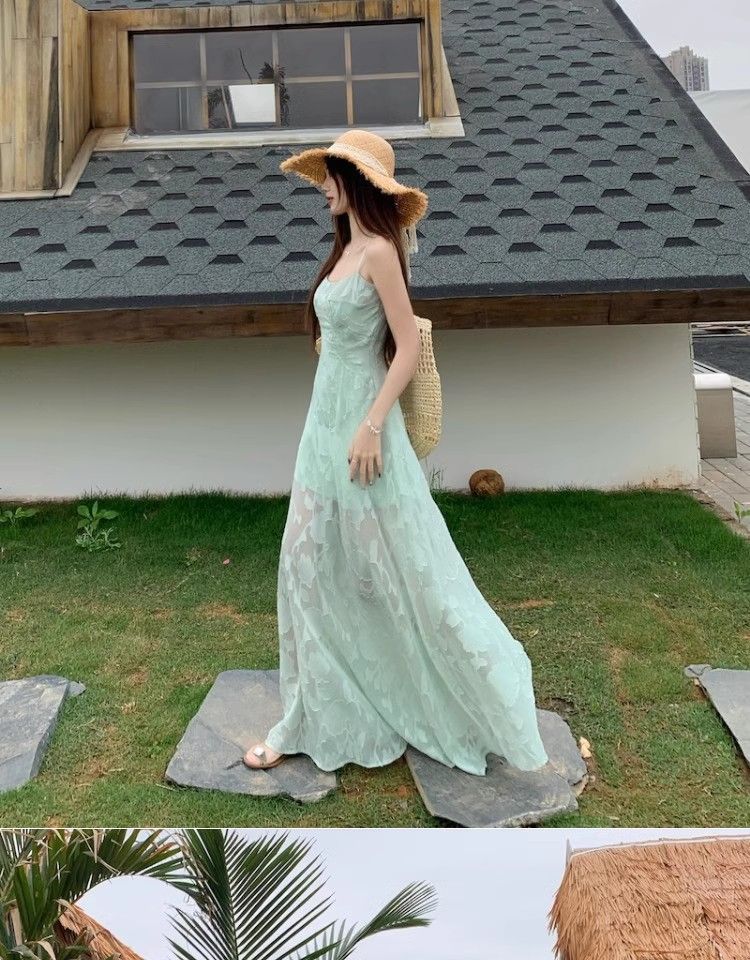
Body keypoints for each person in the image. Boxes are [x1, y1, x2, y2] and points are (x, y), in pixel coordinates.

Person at [243, 129, 549, 776]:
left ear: (358, 183)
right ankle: (309, 713)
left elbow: (407, 345)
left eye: (332, 176)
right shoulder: (343, 251)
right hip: (323, 425)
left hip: (364, 428)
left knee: (395, 570)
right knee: (306, 562)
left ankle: (439, 693)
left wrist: (373, 424)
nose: (323, 188)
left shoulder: (380, 252)